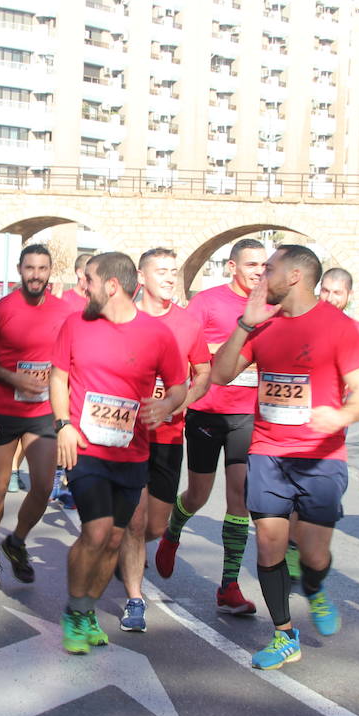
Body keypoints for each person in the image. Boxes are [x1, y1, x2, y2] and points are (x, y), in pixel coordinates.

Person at [209, 245, 359, 670]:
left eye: (271, 268)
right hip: (267, 450)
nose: (263, 275)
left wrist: (339, 414)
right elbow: (221, 373)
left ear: (297, 275)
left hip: (321, 456)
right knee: (268, 543)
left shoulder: (342, 328)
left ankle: (316, 586)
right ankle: (284, 634)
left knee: (315, 556)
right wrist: (245, 324)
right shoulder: (262, 324)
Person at [52, 252, 186, 653]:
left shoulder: (157, 335)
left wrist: (166, 406)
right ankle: (75, 613)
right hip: (85, 448)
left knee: (114, 539)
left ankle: (89, 609)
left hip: (131, 452)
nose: (83, 287)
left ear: (111, 285)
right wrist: (63, 425)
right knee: (94, 530)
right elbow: (59, 377)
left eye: (89, 280)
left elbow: (179, 385)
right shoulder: (74, 324)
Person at [158, 238, 267, 617]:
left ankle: (228, 586)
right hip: (206, 412)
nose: (258, 271)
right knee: (199, 494)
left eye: (263, 265)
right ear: (232, 267)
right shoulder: (208, 302)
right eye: (251, 264)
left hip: (247, 415)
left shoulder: (271, 308)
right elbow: (185, 349)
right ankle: (173, 529)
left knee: (239, 496)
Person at [118, 249, 210, 632]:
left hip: (170, 435)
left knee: (154, 526)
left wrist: (179, 402)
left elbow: (203, 372)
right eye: (162, 272)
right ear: (142, 275)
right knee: (135, 523)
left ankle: (133, 548)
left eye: (174, 272)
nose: (171, 278)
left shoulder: (188, 323)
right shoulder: (124, 317)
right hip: (127, 434)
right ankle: (135, 598)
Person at [0, 245, 70, 586]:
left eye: (42, 269)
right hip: (4, 408)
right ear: (19, 269)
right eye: (29, 268)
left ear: (50, 272)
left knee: (44, 486)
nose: (35, 275)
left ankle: (16, 540)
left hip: (43, 411)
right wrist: (15, 378)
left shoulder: (64, 311)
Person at [319, 267, 359, 348]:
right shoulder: (303, 325)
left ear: (349, 295)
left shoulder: (356, 331)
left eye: (337, 293)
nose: (329, 298)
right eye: (325, 291)